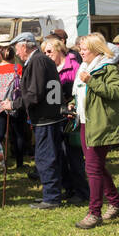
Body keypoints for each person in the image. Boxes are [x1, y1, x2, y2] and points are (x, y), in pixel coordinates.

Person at [17, 32, 86, 208]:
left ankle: (52, 196)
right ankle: (57, 192)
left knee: (46, 158)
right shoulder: (43, 60)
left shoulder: (38, 61)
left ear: (24, 46)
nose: (16, 52)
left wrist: (14, 104)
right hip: (50, 116)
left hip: (46, 118)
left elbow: (36, 92)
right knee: (54, 157)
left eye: (16, 47)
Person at [72, 33, 119, 229]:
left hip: (101, 124)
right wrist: (73, 104)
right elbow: (81, 94)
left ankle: (94, 213)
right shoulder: (85, 67)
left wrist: (91, 82)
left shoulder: (107, 68)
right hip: (87, 122)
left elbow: (117, 91)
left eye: (84, 48)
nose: (81, 51)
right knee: (97, 167)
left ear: (96, 49)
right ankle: (117, 203)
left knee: (93, 169)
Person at [44, 36, 87, 193]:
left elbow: (80, 92)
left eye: (49, 51)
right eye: (44, 52)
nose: (47, 54)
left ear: (59, 50)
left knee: (74, 156)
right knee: (61, 155)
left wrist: (72, 106)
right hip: (57, 116)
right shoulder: (50, 68)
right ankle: (69, 188)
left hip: (72, 116)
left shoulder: (74, 66)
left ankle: (81, 190)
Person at [0, 35, 25, 169]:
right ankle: (19, 163)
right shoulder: (18, 68)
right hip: (13, 106)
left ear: (0, 55)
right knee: (18, 135)